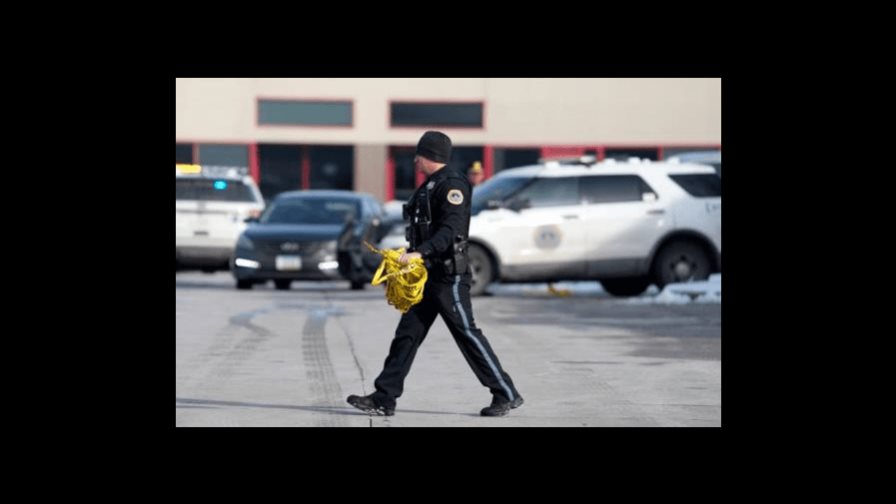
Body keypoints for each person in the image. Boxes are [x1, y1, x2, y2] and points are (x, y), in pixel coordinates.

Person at [347, 131, 523, 417]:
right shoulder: (430, 185)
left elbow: (450, 231)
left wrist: (421, 252)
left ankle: (505, 392)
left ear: (429, 155)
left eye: (418, 154)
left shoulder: (452, 185)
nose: (415, 160)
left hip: (448, 277)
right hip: (426, 277)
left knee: (467, 333)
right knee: (406, 335)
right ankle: (384, 396)